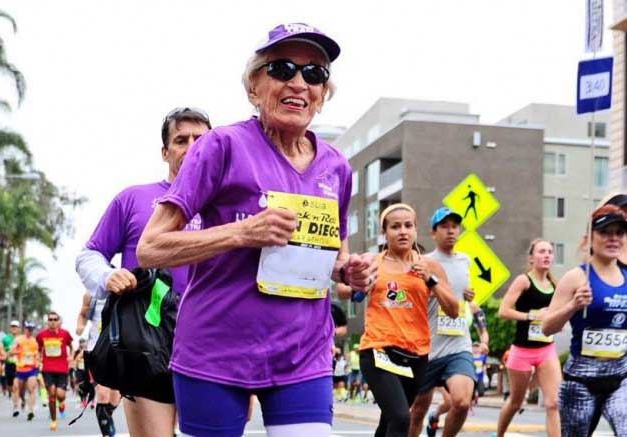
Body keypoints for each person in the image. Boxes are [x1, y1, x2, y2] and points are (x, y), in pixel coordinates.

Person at [137, 23, 374, 436]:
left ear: (322, 94)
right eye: (282, 69)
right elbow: (151, 247)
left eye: (314, 73)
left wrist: (349, 271)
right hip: (216, 351)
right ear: (253, 86)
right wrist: (241, 234)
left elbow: (335, 254)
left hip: (304, 353)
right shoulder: (221, 146)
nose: (299, 82)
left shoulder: (337, 167)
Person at [76, 106, 211, 436]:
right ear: (165, 152)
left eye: (201, 139)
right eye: (181, 140)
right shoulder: (133, 199)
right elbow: (89, 255)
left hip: (213, 338)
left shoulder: (229, 202)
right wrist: (107, 276)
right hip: (148, 339)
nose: (192, 146)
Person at [355, 203, 458, 437]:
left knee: (389, 424)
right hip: (378, 350)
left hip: (415, 356)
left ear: (415, 230)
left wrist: (430, 280)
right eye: (395, 227)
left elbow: (453, 309)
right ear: (385, 233)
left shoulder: (430, 266)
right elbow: (345, 290)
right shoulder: (373, 261)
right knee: (401, 417)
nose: (403, 231)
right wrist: (359, 283)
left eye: (408, 226)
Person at [543, 205, 627, 436]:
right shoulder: (576, 277)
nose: (613, 239)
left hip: (620, 380)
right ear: (590, 238)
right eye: (605, 232)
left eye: (619, 233)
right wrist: (573, 306)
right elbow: (547, 327)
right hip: (580, 383)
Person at [409, 207, 489, 437]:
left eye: (454, 227)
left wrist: (467, 296)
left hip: (459, 345)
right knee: (418, 411)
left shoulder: (465, 260)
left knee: (463, 402)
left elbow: (461, 294)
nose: (451, 231)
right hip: (427, 347)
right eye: (444, 227)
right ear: (434, 233)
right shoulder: (424, 262)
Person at [496, 239, 561, 437]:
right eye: (542, 251)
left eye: (550, 251)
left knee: (554, 402)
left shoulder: (554, 284)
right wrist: (532, 316)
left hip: (546, 349)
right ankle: (499, 435)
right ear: (531, 257)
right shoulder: (524, 281)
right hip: (522, 350)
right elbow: (503, 311)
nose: (547, 255)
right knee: (516, 402)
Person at [77, 292, 120, 436]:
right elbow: (82, 314)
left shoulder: (125, 287)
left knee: (115, 397)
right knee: (102, 394)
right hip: (96, 352)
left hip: (117, 351)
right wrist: (80, 326)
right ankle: (106, 434)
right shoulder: (91, 294)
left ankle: (107, 417)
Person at [36, 311, 74, 431]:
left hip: (62, 368)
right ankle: (53, 420)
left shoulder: (65, 334)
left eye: (55, 319)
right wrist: (38, 358)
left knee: (60, 395)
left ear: (58, 321)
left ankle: (61, 403)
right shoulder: (41, 335)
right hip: (48, 368)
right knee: (52, 394)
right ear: (47, 321)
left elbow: (71, 346)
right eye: (50, 319)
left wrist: (71, 356)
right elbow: (39, 348)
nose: (52, 322)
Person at [11, 321, 39, 421]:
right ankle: (16, 406)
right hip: (20, 369)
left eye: (31, 329)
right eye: (28, 329)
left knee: (31, 388)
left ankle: (30, 411)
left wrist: (39, 360)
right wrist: (19, 351)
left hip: (31, 369)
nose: (30, 331)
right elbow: (10, 351)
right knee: (17, 389)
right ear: (25, 329)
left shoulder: (35, 341)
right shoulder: (19, 339)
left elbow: (39, 354)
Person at [1, 321, 20, 399]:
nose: (14, 328)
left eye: (15, 327)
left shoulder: (21, 339)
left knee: (17, 382)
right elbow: (0, 349)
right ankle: (10, 391)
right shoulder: (5, 339)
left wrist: (15, 352)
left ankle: (17, 395)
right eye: (12, 327)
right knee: (9, 383)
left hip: (19, 364)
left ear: (18, 328)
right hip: (8, 363)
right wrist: (7, 354)